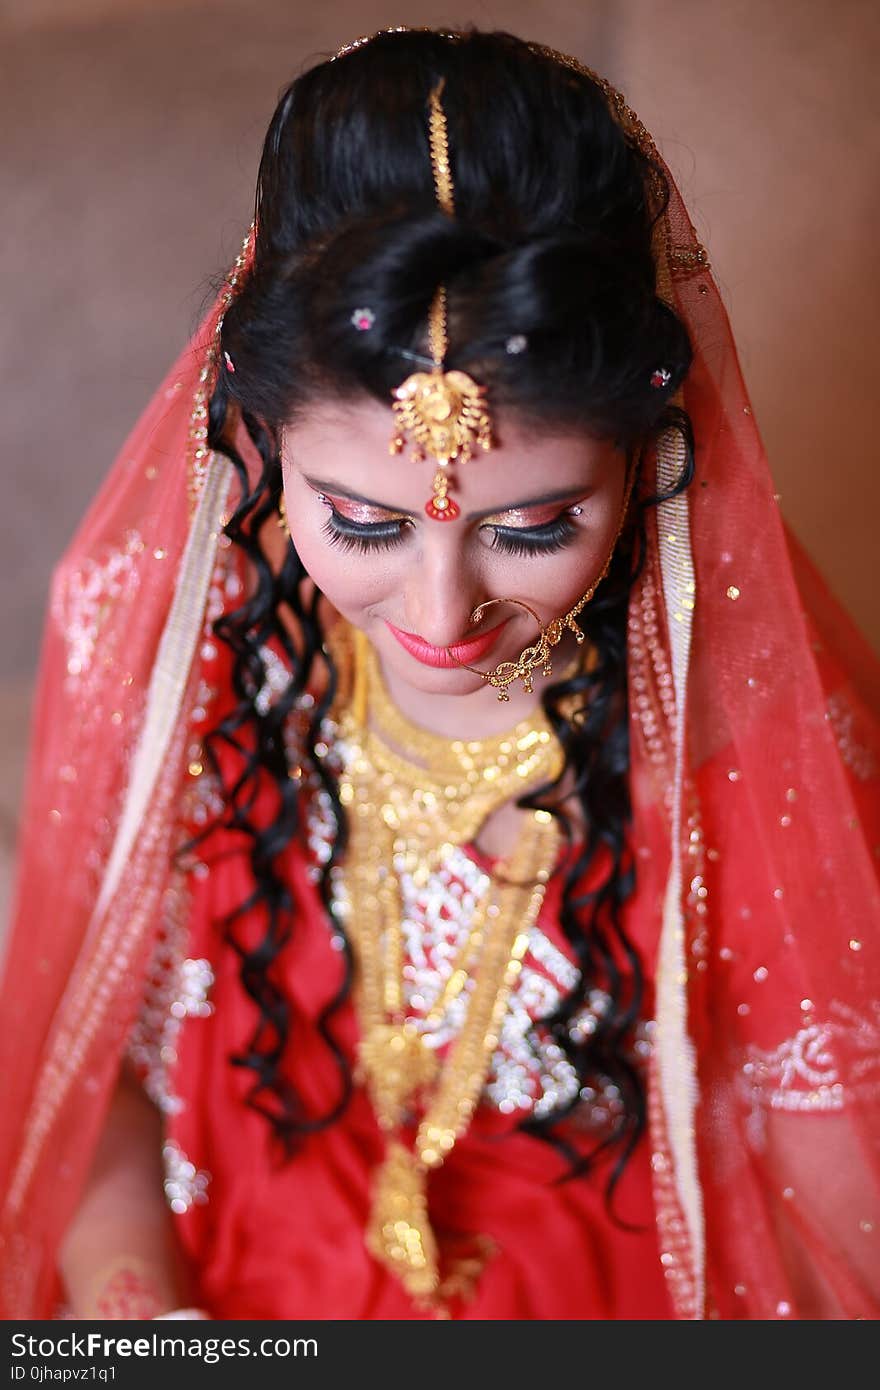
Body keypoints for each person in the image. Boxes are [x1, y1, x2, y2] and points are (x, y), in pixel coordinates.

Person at [1, 27, 878, 1322]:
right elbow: (84, 1085)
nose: (442, 611)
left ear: (648, 461)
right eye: (360, 521)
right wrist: (139, 1307)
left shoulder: (744, 760)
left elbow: (828, 1229)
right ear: (257, 438)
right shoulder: (195, 662)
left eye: (532, 528)